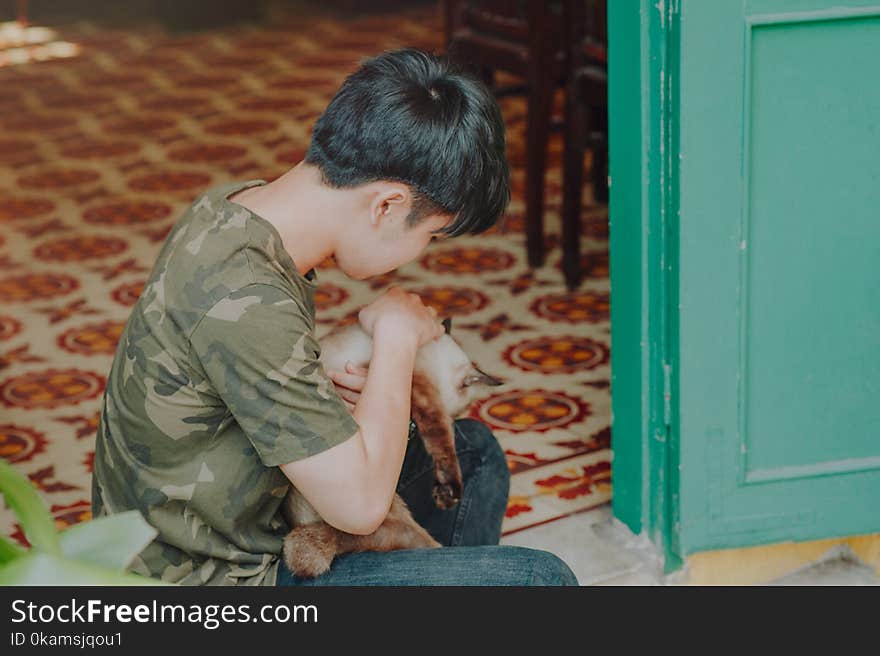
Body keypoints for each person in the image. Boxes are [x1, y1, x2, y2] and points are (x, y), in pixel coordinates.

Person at [91, 48, 578, 586]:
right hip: (210, 586)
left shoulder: (236, 210)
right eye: (429, 236)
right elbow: (360, 508)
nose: (420, 254)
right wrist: (395, 334)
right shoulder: (247, 296)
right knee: (539, 580)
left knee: (473, 457)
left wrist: (322, 392)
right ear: (387, 205)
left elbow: (244, 378)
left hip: (238, 518)